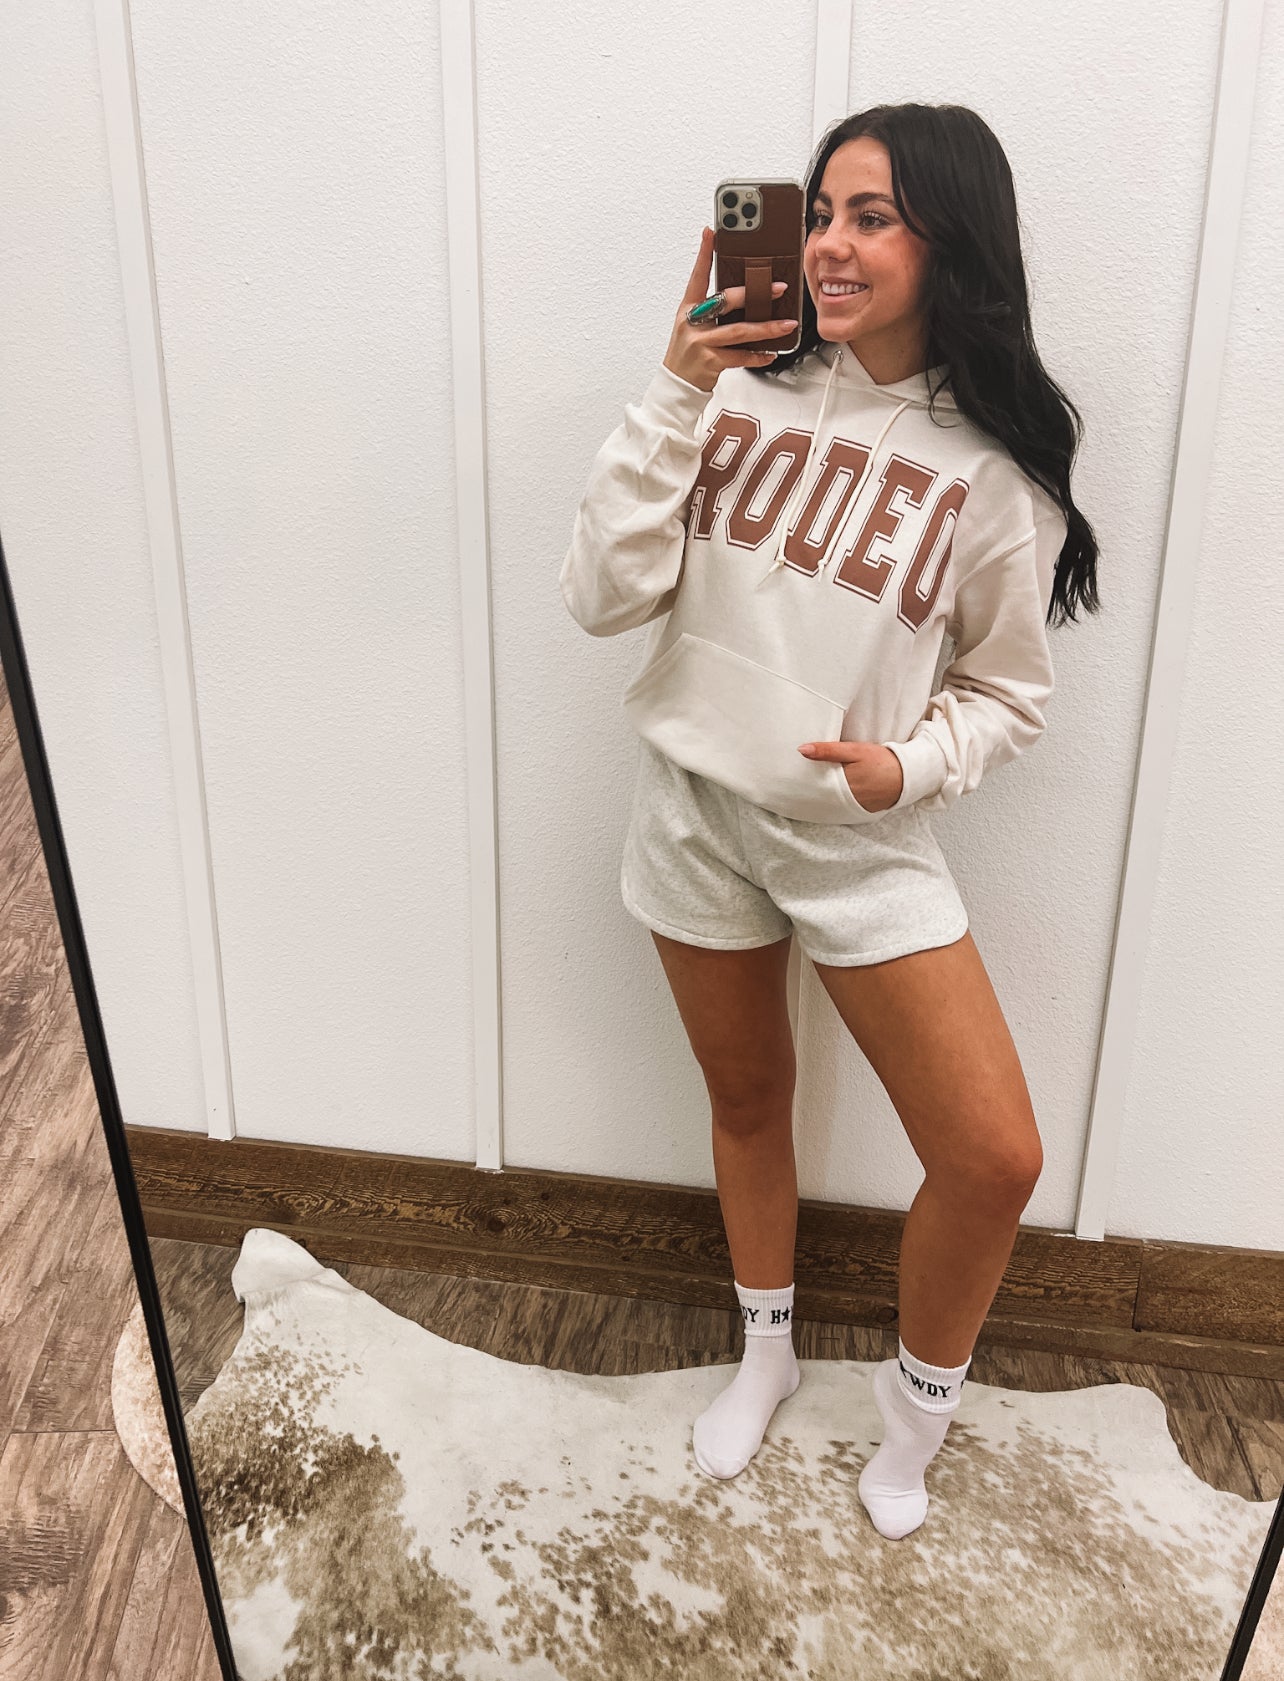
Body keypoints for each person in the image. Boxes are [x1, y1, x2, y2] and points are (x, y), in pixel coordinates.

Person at [559, 102, 1099, 1541]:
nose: (829, 245)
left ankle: (914, 1425)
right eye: (818, 214)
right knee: (748, 1100)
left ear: (951, 241)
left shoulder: (993, 476)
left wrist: (904, 771)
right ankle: (767, 1353)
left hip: (854, 837)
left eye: (873, 217)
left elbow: (1007, 694)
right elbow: (601, 599)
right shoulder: (732, 393)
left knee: (992, 1156)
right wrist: (678, 384)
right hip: (692, 808)